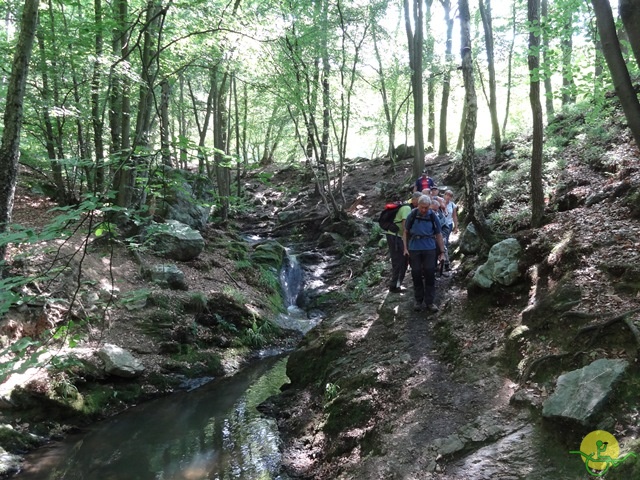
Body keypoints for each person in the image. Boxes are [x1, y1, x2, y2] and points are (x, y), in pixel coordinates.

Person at [403, 195, 446, 312]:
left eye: (426, 208)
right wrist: (405, 248)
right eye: (422, 207)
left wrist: (442, 252)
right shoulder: (412, 215)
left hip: (429, 248)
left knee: (430, 273)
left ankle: (430, 302)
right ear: (418, 205)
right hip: (414, 248)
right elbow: (406, 232)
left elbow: (439, 234)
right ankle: (418, 300)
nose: (424, 210)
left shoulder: (433, 216)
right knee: (416, 273)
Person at [385, 198, 412, 293]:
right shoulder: (407, 209)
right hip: (396, 237)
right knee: (400, 260)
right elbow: (405, 228)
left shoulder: (406, 207)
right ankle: (395, 285)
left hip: (394, 236)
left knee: (400, 260)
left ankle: (396, 284)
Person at [442, 189, 459, 272]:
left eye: (450, 196)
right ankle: (444, 262)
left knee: (445, 242)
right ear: (444, 195)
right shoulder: (440, 203)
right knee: (442, 243)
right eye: (447, 195)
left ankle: (445, 262)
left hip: (448, 225)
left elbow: (454, 216)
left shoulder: (453, 205)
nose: (448, 197)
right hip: (440, 226)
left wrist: (456, 226)